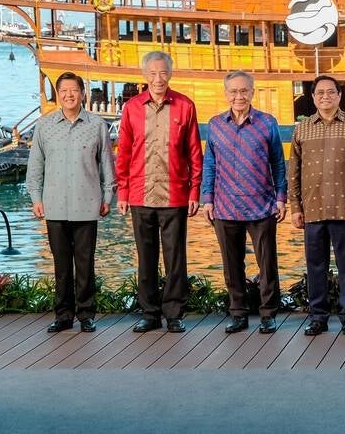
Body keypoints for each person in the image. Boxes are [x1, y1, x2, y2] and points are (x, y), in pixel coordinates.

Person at [116, 51, 203, 333]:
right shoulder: (131, 108)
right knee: (146, 256)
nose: (158, 78)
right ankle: (150, 314)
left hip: (175, 194)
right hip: (140, 194)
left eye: (163, 72)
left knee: (175, 257)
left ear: (170, 74)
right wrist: (122, 192)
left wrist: (194, 192)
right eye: (152, 73)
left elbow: (194, 154)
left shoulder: (185, 106)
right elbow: (124, 153)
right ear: (144, 76)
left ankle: (175, 313)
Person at [26, 72, 116, 333]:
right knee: (61, 265)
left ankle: (86, 314)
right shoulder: (44, 126)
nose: (69, 95)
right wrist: (36, 198)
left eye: (74, 90)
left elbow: (107, 165)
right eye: (63, 90)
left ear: (82, 93)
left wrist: (107, 196)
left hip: (87, 204)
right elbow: (35, 167)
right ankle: (63, 315)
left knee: (85, 264)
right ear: (58, 93)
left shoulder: (96, 124)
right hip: (54, 205)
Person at [201, 71, 287, 335]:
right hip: (225, 206)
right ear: (226, 94)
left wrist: (281, 198)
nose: (239, 96)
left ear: (252, 92)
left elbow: (278, 163)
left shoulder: (267, 123)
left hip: (261, 205)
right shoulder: (215, 124)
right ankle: (238, 313)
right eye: (233, 92)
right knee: (232, 263)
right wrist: (208, 199)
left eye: (243, 91)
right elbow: (210, 164)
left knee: (267, 263)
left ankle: (268, 313)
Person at [288, 75, 345, 336]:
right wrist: (295, 207)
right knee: (316, 266)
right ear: (313, 98)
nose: (325, 97)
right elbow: (294, 171)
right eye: (319, 93)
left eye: (330, 92)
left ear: (339, 96)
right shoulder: (301, 129)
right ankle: (318, 317)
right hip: (312, 209)